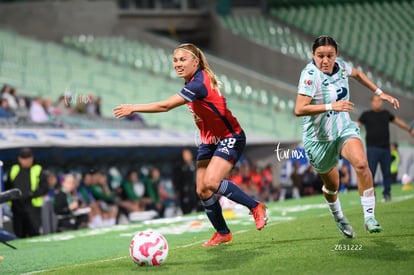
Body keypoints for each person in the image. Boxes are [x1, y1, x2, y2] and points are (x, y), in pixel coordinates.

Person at [113, 43, 267, 246]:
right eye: (175, 60)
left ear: (196, 61)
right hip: (208, 140)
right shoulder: (193, 81)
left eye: (182, 60)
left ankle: (255, 206)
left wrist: (134, 107)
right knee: (202, 190)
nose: (177, 64)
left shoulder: (198, 83)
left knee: (212, 182)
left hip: (230, 136)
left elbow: (165, 106)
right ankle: (223, 233)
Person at [294, 36, 400, 237]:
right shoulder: (309, 75)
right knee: (332, 186)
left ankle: (369, 217)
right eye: (320, 56)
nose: (325, 60)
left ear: (336, 55)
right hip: (319, 140)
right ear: (313, 55)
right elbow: (299, 109)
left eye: (329, 56)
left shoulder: (341, 66)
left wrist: (380, 93)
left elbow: (358, 74)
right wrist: (331, 106)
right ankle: (339, 217)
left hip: (343, 130)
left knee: (361, 164)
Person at [358, 95, 414, 201]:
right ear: (372, 102)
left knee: (387, 173)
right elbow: (357, 125)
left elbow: (398, 121)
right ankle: (371, 194)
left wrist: (409, 129)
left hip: (385, 148)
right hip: (372, 149)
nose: (379, 103)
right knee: (371, 173)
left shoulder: (385, 114)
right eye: (376, 101)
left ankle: (387, 193)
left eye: (380, 101)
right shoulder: (366, 115)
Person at [5, 148, 48, 238]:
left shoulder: (38, 168)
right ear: (19, 159)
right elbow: (8, 186)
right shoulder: (14, 169)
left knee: (35, 233)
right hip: (17, 207)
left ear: (32, 158)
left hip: (32, 207)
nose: (27, 161)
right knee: (19, 235)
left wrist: (31, 194)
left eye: (29, 158)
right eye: (24, 158)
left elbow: (44, 187)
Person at [172, 149, 199, 214]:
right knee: (186, 210)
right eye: (184, 155)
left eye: (187, 155)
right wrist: (177, 190)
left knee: (198, 208)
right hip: (184, 193)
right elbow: (176, 180)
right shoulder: (179, 168)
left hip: (196, 192)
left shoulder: (195, 166)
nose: (186, 157)